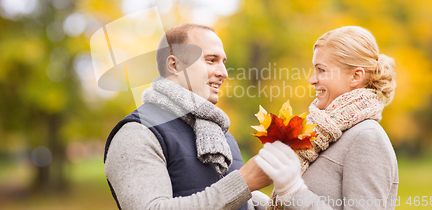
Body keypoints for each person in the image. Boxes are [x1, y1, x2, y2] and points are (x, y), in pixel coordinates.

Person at [104, 24, 271, 210]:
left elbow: (213, 187)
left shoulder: (219, 133)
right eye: (211, 60)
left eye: (223, 62)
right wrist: (243, 183)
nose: (223, 73)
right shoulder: (137, 133)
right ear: (174, 65)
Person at [255, 26, 399, 210]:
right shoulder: (323, 135)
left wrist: (292, 191)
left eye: (321, 70)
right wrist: (250, 197)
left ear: (355, 76)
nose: (312, 79)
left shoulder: (367, 137)